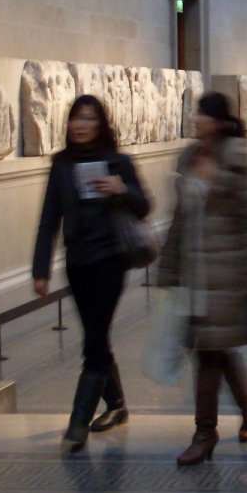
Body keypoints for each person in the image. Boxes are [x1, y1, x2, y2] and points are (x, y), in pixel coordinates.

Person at [157, 92, 247, 467]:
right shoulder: (189, 159)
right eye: (195, 114)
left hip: (229, 274)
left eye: (203, 115)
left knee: (208, 353)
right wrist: (168, 268)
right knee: (216, 349)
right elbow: (180, 218)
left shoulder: (238, 159)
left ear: (219, 121)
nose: (196, 120)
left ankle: (204, 433)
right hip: (196, 273)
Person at [31, 95, 151, 453]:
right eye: (75, 119)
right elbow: (49, 218)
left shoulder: (118, 162)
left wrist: (122, 189)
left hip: (111, 261)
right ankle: (117, 405)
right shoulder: (62, 164)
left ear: (100, 124)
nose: (80, 125)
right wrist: (40, 269)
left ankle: (77, 423)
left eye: (88, 119)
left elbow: (145, 206)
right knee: (97, 336)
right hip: (78, 263)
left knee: (93, 342)